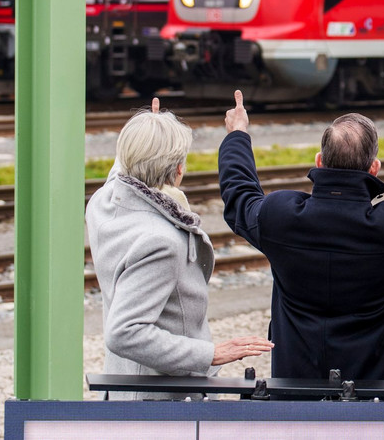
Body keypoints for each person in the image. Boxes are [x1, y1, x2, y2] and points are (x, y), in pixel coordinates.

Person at [218, 90, 384, 385]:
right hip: (379, 388)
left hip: (295, 385)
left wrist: (237, 134)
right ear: (374, 168)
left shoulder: (280, 217)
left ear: (319, 161)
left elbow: (239, 194)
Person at [87, 98, 273, 400]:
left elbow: (124, 166)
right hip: (163, 403)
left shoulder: (104, 202)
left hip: (125, 386)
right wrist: (210, 354)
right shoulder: (161, 241)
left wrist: (151, 130)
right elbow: (124, 332)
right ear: (178, 170)